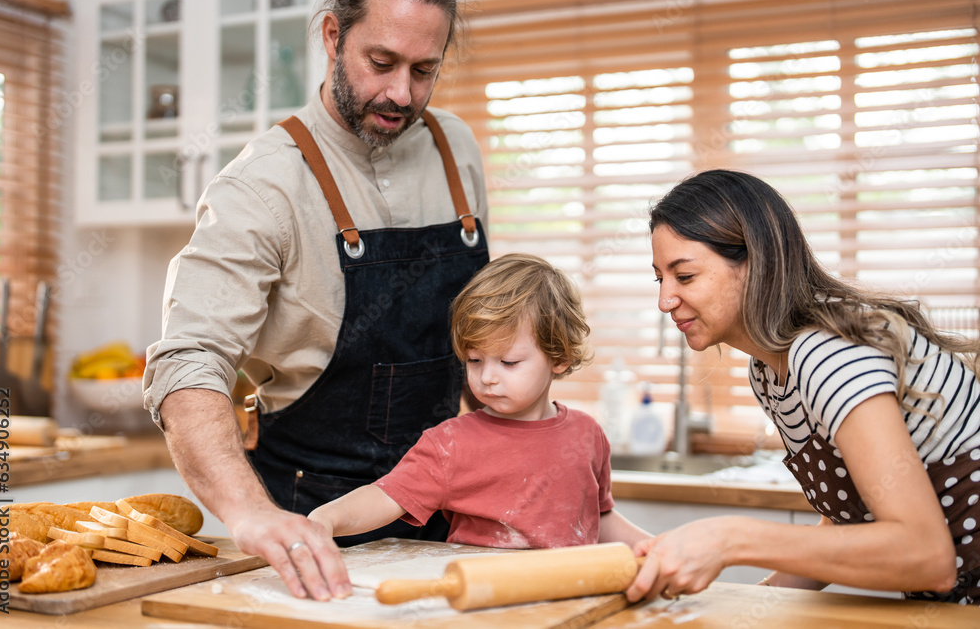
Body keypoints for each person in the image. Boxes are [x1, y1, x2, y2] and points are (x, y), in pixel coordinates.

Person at [141, 0, 489, 602]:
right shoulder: (263, 185)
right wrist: (251, 515)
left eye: (424, 70)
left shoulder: (457, 149)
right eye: (380, 62)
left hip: (451, 516)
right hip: (311, 528)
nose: (401, 94)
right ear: (333, 36)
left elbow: (481, 338)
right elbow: (188, 362)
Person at [626, 169, 980, 605]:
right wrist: (752, 603)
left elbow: (926, 555)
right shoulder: (768, 371)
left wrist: (731, 538)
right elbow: (852, 522)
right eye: (660, 278)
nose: (665, 300)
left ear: (754, 262)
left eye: (685, 276)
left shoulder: (825, 352)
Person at [309, 254, 652, 555]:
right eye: (474, 360)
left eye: (508, 362)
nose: (487, 377)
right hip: (484, 603)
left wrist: (652, 546)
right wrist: (327, 518)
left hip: (573, 599)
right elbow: (385, 497)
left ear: (559, 357)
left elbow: (599, 517)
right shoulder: (450, 444)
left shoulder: (588, 434)